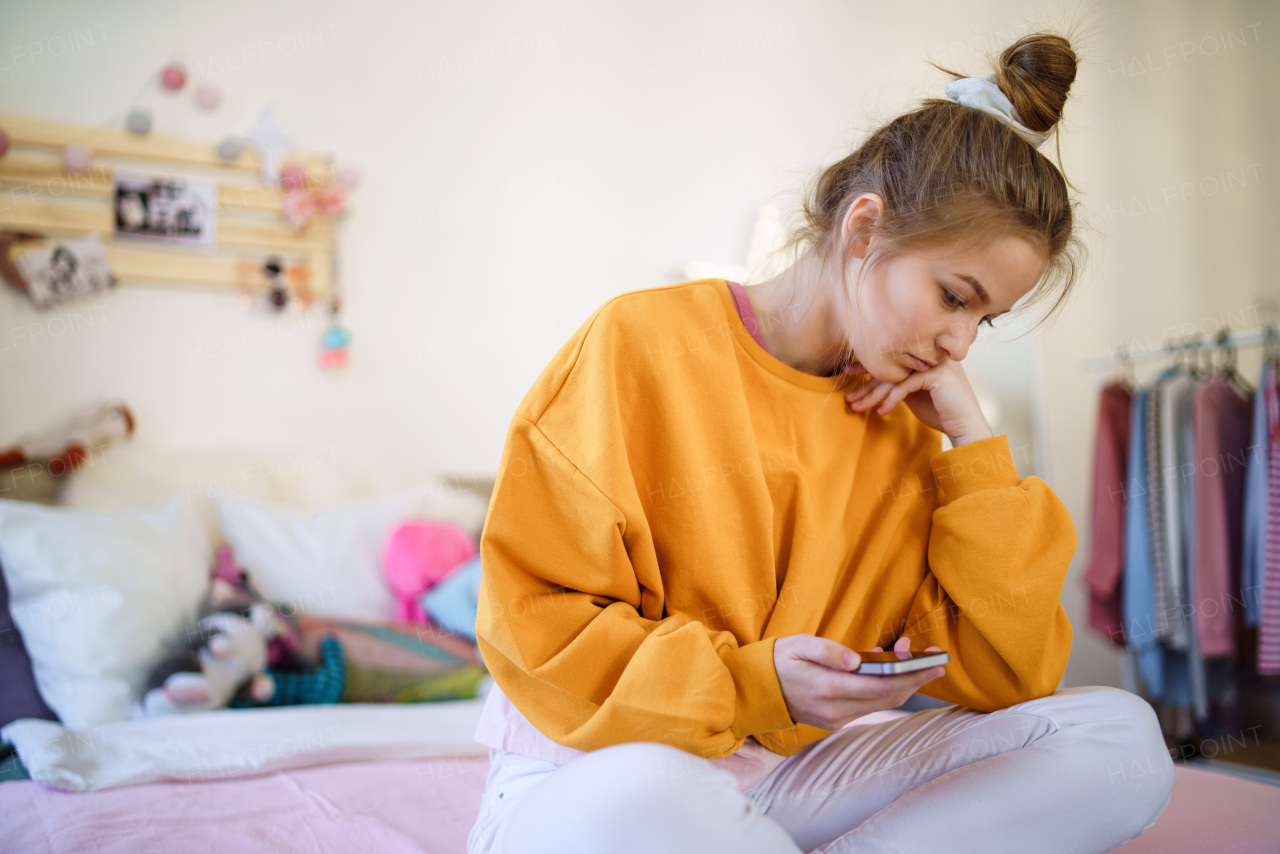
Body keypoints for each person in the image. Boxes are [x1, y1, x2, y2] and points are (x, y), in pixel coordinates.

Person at [468, 30, 1175, 854]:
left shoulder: (910, 418)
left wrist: (972, 447)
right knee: (649, 795)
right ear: (865, 228)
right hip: (594, 771)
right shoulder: (639, 343)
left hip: (785, 781)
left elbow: (1011, 678)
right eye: (953, 296)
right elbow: (538, 621)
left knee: (1120, 740)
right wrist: (755, 681)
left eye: (984, 319)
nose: (960, 344)